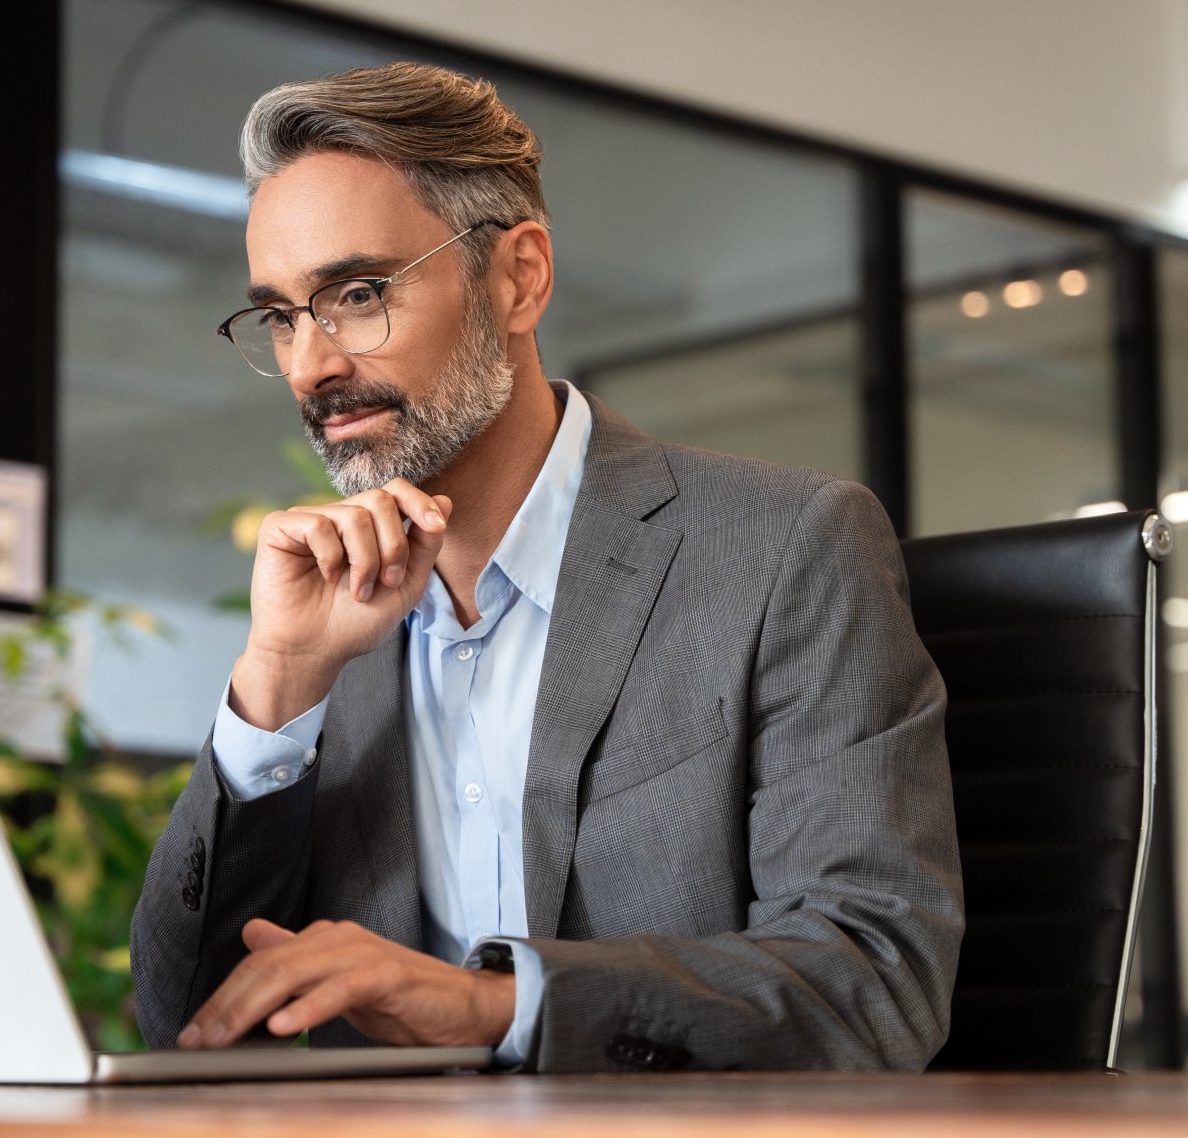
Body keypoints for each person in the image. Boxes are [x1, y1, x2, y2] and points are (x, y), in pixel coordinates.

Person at [130, 62, 962, 1074]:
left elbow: (874, 979)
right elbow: (186, 1022)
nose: (310, 365)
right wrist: (277, 685)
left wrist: (491, 1006)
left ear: (518, 278)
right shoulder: (323, 622)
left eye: (357, 294)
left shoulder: (785, 548)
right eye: (280, 315)